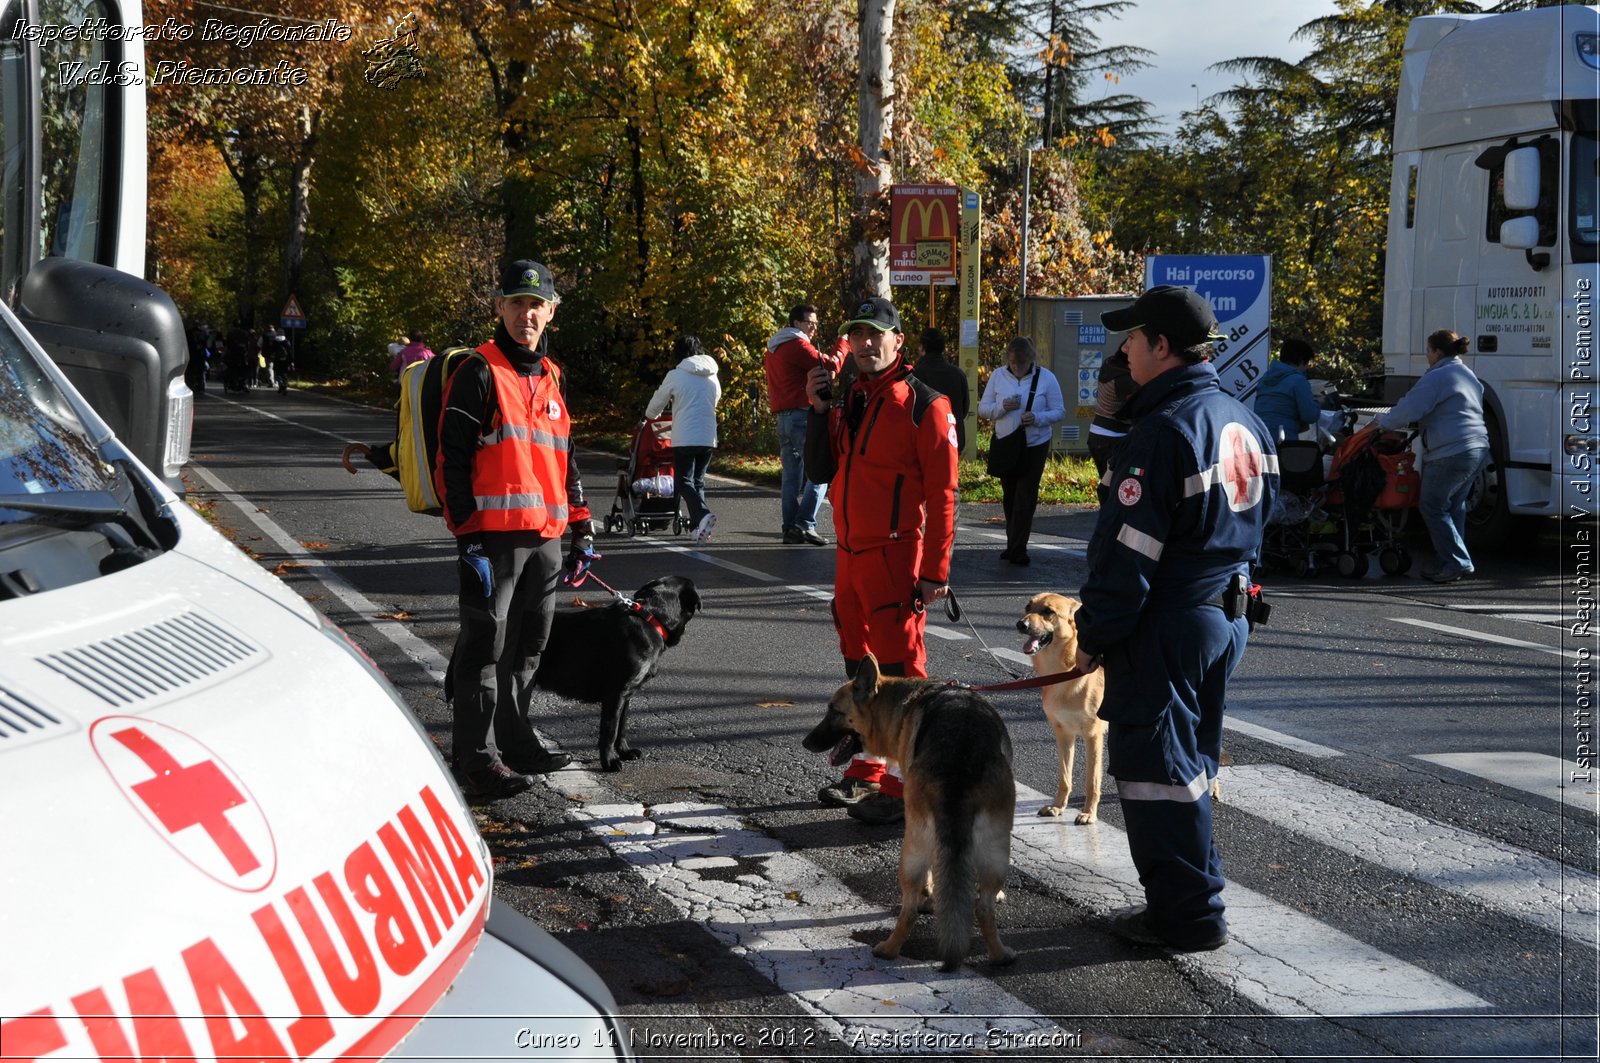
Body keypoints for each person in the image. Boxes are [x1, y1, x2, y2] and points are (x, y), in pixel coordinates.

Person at [1074, 284, 1278, 953]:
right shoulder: (1241, 417)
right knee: (1187, 766)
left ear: (1161, 346)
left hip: (1169, 624)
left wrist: (1096, 635)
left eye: (1131, 337)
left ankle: (1187, 915)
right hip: (1226, 614)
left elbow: (1128, 554)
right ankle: (1194, 893)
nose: (1122, 349)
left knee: (1157, 774)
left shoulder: (1164, 430)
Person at [438, 259, 594, 799]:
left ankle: (515, 739)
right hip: (494, 541)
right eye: (517, 303)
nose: (526, 314)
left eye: (537, 304)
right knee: (484, 646)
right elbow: (450, 461)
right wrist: (469, 537)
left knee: (529, 647)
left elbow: (564, 457)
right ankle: (476, 760)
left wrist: (582, 527)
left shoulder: (554, 376)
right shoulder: (478, 371)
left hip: (547, 539)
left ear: (552, 311)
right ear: (500, 308)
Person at [804, 295, 959, 826]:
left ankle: (902, 787)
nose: (867, 344)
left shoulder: (925, 404)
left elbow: (943, 492)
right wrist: (818, 409)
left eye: (877, 334)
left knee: (901, 674)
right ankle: (868, 770)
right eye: (858, 335)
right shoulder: (853, 397)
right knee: (860, 670)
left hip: (896, 553)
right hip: (849, 554)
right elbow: (822, 468)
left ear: (898, 340)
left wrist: (936, 570)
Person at [1374, 328, 1489, 583]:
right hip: (1477, 447)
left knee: (1432, 505)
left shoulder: (1438, 377)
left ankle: (1457, 561)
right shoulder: (1466, 374)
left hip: (1451, 450)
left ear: (1437, 352)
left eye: (1428, 350)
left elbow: (1410, 408)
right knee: (1454, 506)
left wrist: (1382, 423)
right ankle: (1449, 561)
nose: (1427, 356)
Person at [976, 337, 1065, 565]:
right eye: (1013, 363)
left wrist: (1037, 418)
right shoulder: (998, 376)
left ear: (1031, 360)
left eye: (1021, 364)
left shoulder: (1046, 378)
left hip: (1035, 445)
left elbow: (1059, 411)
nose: (1016, 368)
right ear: (1008, 360)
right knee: (1010, 496)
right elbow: (983, 410)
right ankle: (1012, 543)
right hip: (1006, 443)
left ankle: (1019, 548)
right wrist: (1001, 408)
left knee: (1026, 496)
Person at [765, 303, 847, 545]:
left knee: (791, 476)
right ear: (796, 323)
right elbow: (830, 366)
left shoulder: (774, 347)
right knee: (821, 468)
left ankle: (790, 527)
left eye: (815, 323)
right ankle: (804, 523)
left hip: (783, 417)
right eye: (810, 322)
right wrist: (843, 341)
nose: (814, 327)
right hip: (801, 415)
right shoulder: (797, 343)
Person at [645, 334, 723, 542]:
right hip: (707, 436)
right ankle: (700, 528)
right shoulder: (712, 374)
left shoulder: (676, 374)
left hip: (686, 436)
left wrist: (650, 416)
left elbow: (659, 399)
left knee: (683, 482)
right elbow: (716, 398)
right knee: (698, 482)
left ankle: (704, 515)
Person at [910, 327, 970, 454]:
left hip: (926, 442)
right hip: (954, 439)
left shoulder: (915, 376)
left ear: (922, 348)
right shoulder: (958, 374)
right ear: (943, 348)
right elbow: (964, 410)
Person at [1252, 337, 1322, 444]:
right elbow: (1310, 415)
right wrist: (1318, 402)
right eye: (1307, 364)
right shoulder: (1298, 380)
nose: (1307, 368)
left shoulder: (1265, 378)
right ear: (1302, 361)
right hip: (1283, 440)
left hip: (1258, 436)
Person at [1087, 346, 1136, 482]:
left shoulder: (1109, 365)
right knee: (1116, 485)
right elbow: (1131, 410)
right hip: (1112, 436)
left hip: (1096, 433)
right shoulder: (1123, 378)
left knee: (1106, 483)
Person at [263, 327, 292, 395]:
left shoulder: (275, 341)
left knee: (278, 373)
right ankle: (284, 386)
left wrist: (269, 355)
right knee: (284, 374)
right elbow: (289, 352)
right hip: (285, 360)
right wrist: (291, 361)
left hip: (277, 360)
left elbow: (272, 351)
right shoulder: (286, 341)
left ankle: (280, 384)